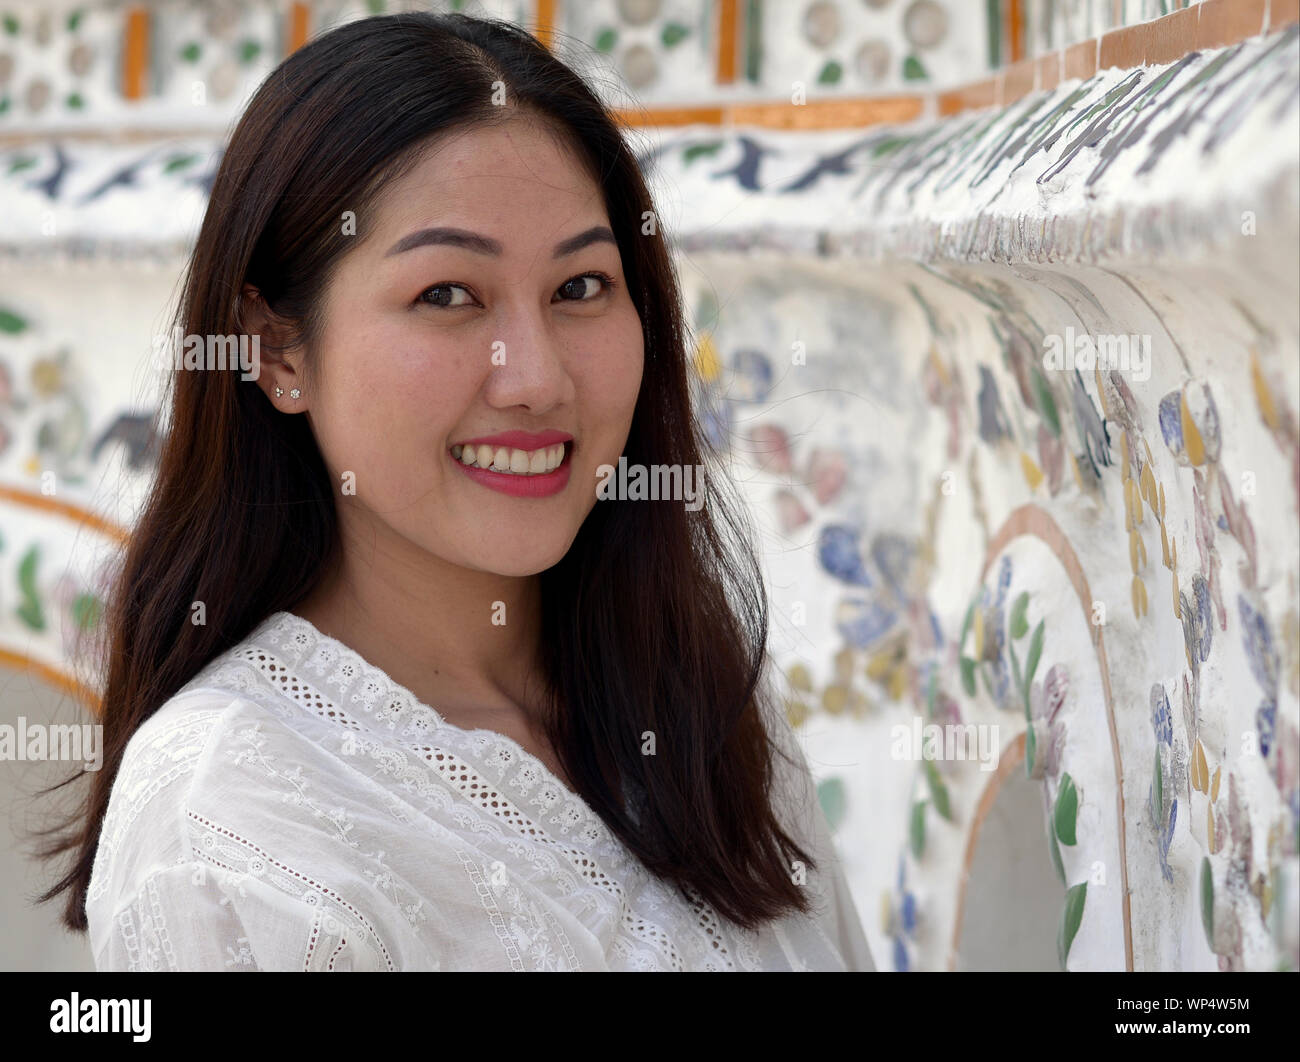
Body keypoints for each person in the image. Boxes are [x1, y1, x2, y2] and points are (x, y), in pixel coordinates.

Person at [36, 10, 874, 972]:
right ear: (274, 348)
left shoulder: (702, 703)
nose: (536, 379)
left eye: (582, 287)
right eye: (447, 295)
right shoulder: (228, 818)